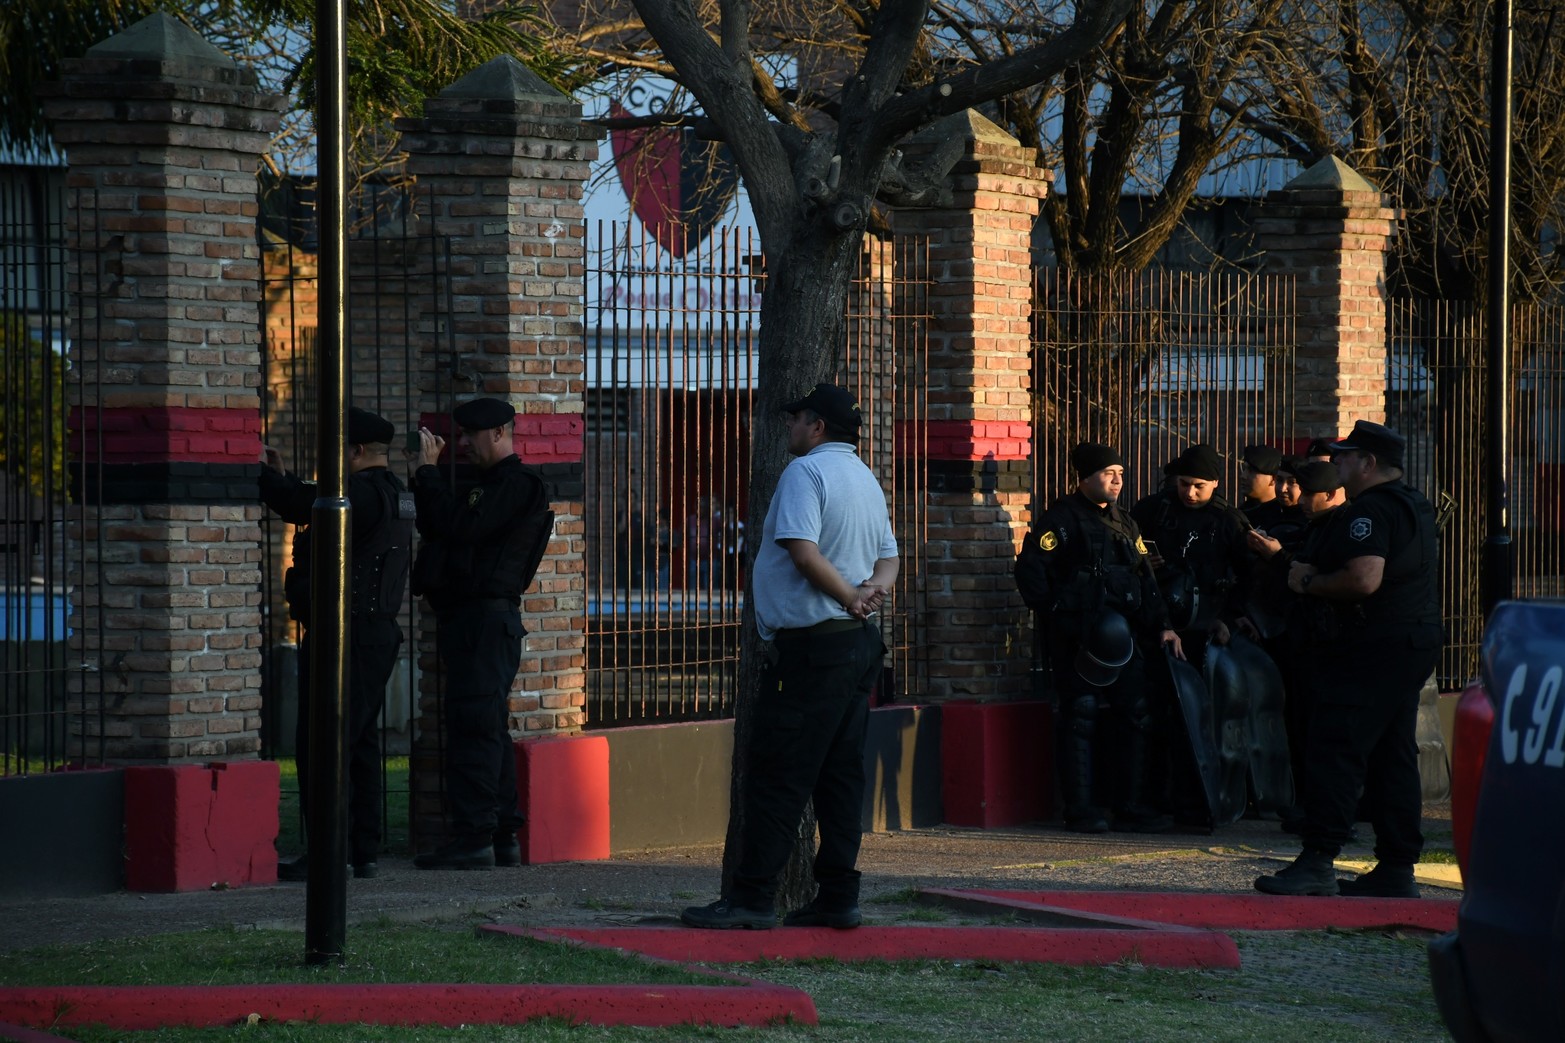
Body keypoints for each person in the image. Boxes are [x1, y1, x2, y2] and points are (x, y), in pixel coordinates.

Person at [681, 383, 898, 930]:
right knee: (839, 775)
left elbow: (801, 549)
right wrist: (870, 590)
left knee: (778, 774)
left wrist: (850, 595)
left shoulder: (806, 473)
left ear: (817, 425)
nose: (789, 426)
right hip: (857, 644)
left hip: (813, 648)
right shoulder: (864, 476)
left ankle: (753, 897)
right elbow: (891, 557)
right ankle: (838, 896)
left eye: (796, 417)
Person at [1256, 420, 1442, 898]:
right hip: (1409, 643)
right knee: (1392, 751)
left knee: (1335, 745)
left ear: (1367, 463)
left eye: (1344, 456)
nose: (1335, 463)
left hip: (1372, 647)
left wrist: (1307, 582)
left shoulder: (1372, 511)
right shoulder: (1413, 503)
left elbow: (1363, 579)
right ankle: (1397, 867)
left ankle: (1318, 859)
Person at [260, 406, 413, 881]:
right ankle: (359, 850)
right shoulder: (395, 494)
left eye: (334, 449)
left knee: (325, 742)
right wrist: (284, 481)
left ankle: (330, 853)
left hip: (347, 633)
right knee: (359, 742)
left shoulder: (360, 497)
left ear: (356, 451)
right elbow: (313, 498)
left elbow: (306, 505)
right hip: (375, 632)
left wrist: (263, 477)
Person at [410, 397, 552, 871]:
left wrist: (429, 475)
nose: (464, 444)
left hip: (486, 621)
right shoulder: (490, 484)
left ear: (500, 433)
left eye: (471, 435)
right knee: (486, 726)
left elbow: (462, 528)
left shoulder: (518, 484)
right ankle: (501, 834)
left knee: (474, 727)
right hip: (475, 620)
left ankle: (475, 838)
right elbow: (440, 528)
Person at [1015, 442, 1182, 834]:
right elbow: (1031, 571)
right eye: (1109, 473)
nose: (1118, 480)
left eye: (1120, 473)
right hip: (1080, 641)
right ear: (1085, 477)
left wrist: (1163, 624)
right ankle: (1081, 809)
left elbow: (1145, 577)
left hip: (1125, 638)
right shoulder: (1061, 520)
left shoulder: (1126, 522)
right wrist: (1058, 615)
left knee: (1136, 714)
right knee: (1081, 716)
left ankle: (1129, 805)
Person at [1239, 444, 1283, 524]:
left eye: (1251, 471)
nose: (1243, 476)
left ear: (1273, 479)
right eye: (1245, 469)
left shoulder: (1283, 517)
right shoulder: (1240, 514)